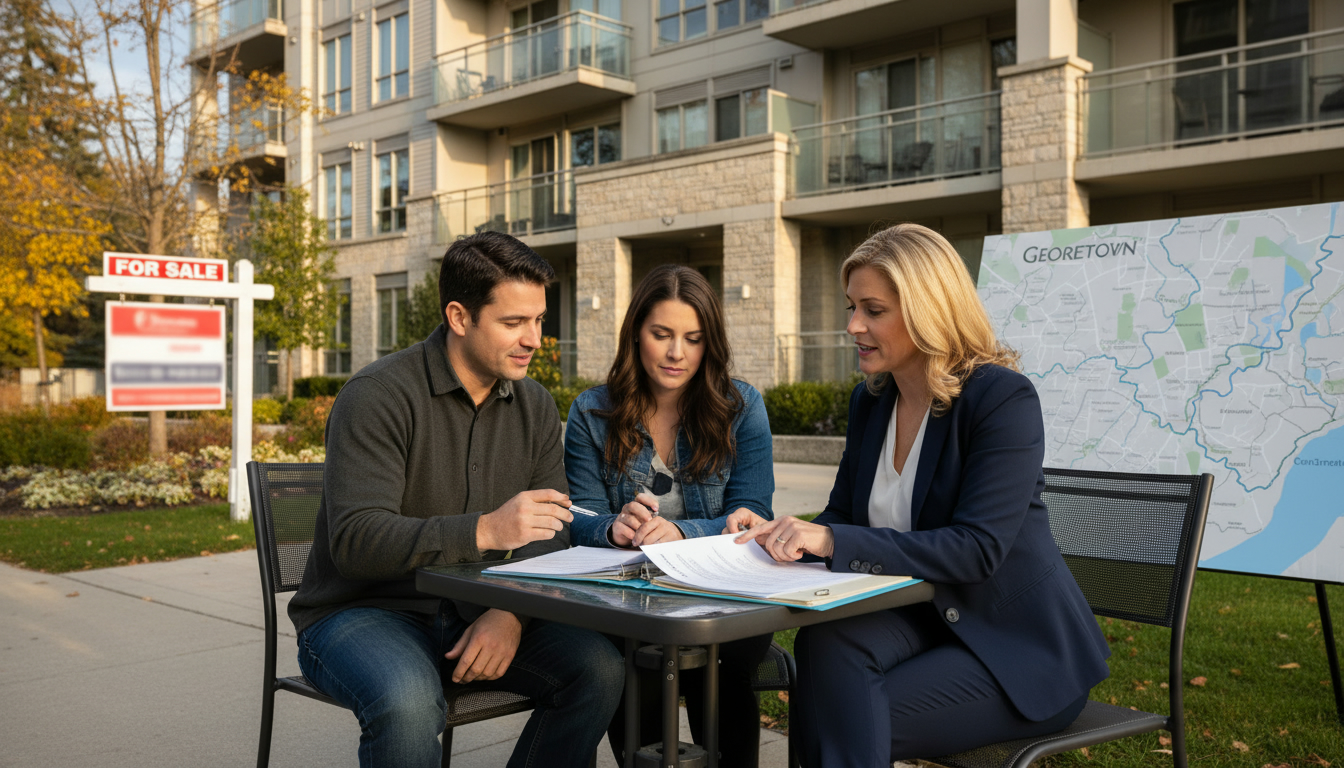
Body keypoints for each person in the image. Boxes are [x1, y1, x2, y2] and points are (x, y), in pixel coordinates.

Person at [737, 224, 1111, 765]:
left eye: (873, 310)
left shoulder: (1001, 399)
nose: (852, 326)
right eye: (851, 307)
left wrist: (829, 538)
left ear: (927, 310)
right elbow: (842, 516)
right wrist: (778, 533)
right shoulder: (872, 402)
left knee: (838, 715)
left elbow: (976, 549)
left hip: (1017, 649)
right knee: (825, 645)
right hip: (922, 617)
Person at [287, 232, 624, 768]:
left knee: (600, 670)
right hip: (366, 612)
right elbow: (355, 540)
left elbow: (554, 529)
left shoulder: (534, 404)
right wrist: (485, 531)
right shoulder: (377, 396)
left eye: (538, 320)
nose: (534, 338)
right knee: (407, 702)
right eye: (513, 323)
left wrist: (509, 612)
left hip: (484, 604)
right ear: (459, 317)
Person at [564, 264, 775, 766]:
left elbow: (753, 514)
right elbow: (578, 519)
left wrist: (678, 532)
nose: (677, 352)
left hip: (721, 592)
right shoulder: (592, 414)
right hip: (628, 598)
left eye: (693, 338)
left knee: (725, 656)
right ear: (637, 332)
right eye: (662, 334)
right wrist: (614, 529)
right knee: (632, 651)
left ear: (710, 344)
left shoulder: (741, 406)